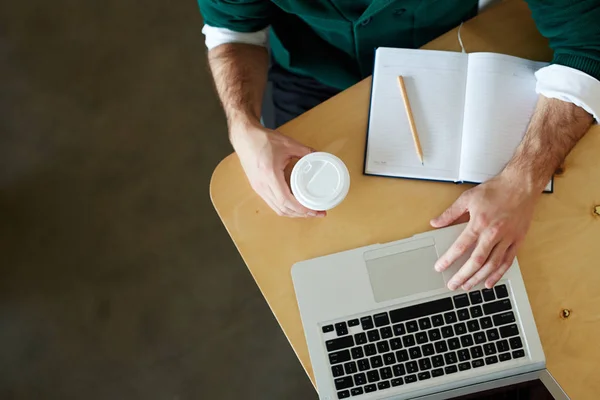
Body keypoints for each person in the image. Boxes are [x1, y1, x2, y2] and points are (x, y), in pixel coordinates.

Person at [198, 0, 600, 291]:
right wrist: (243, 125)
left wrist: (521, 180)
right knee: (323, 256)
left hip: (447, 55)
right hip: (312, 80)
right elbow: (234, 30)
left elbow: (587, 49)